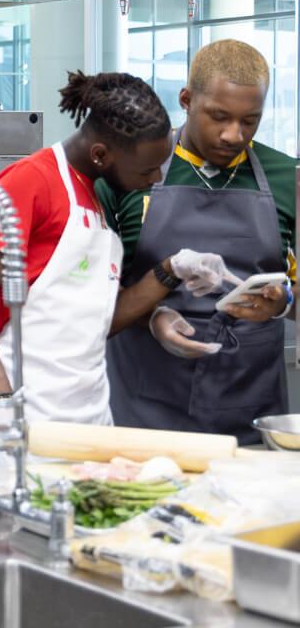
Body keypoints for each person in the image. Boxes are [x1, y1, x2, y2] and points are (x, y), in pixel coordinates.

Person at [0, 71, 231, 425]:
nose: (156, 179)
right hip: (23, 415)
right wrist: (0, 398)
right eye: (147, 170)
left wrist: (174, 269)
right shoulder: (31, 182)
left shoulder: (95, 192)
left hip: (90, 417)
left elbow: (96, 319)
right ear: (101, 154)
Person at [102, 40, 296, 443]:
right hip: (145, 411)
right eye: (219, 116)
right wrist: (152, 316)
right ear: (187, 100)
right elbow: (92, 302)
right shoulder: (131, 173)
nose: (233, 135)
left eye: (250, 121)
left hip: (250, 411)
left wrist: (284, 303)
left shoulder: (287, 178)